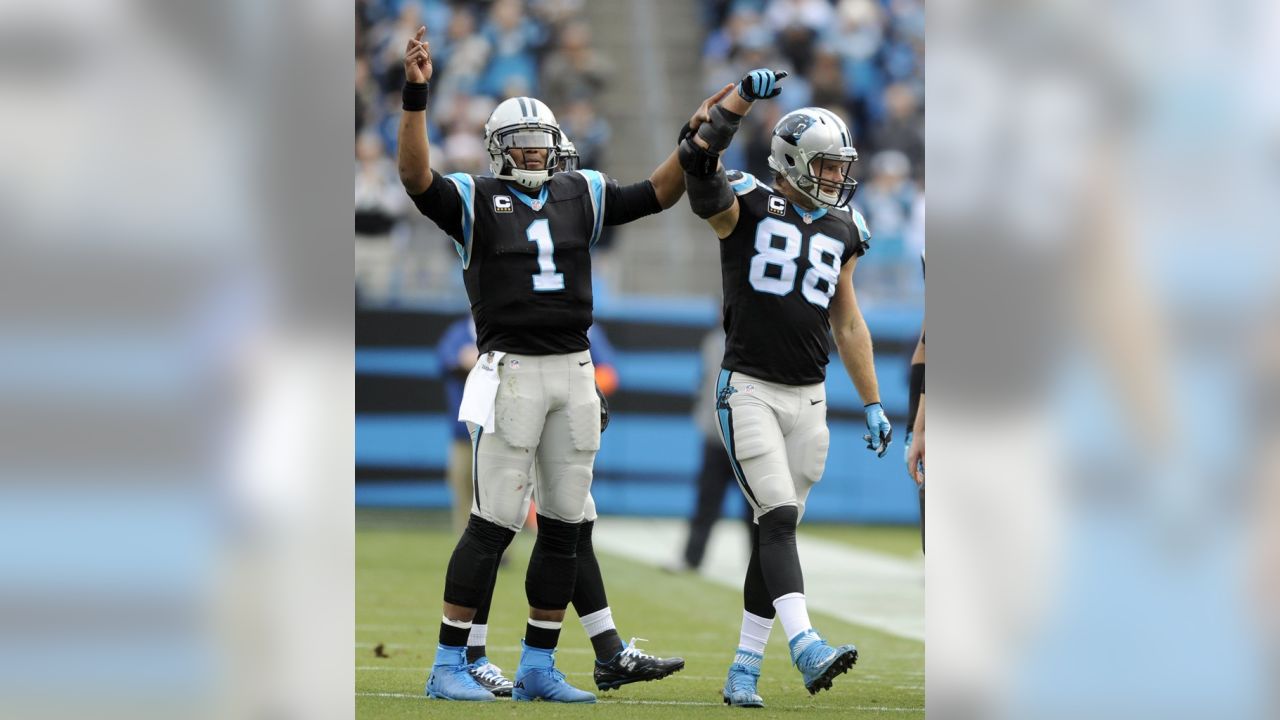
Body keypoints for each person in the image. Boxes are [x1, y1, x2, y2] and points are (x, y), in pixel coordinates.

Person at [397, 26, 728, 703]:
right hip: (512, 370)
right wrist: (416, 96)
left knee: (568, 524)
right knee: (493, 521)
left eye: (541, 143)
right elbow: (414, 177)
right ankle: (448, 663)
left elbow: (655, 194)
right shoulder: (474, 199)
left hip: (574, 369)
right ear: (497, 150)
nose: (532, 153)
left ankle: (540, 665)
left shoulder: (582, 190)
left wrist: (693, 144)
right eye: (520, 144)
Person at [677, 68, 893, 707]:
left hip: (811, 396)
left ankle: (744, 668)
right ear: (793, 163)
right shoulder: (742, 203)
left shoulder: (843, 227)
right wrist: (737, 100)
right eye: (826, 167)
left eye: (839, 167)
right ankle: (806, 645)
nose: (836, 178)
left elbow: (847, 320)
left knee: (777, 532)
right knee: (774, 517)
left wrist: (875, 401)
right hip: (749, 388)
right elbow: (696, 162)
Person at [668, 324, 753, 573]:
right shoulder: (713, 340)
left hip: (748, 437)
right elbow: (704, 381)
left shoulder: (756, 337)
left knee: (756, 507)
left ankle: (760, 563)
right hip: (716, 436)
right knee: (706, 501)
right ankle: (692, 557)